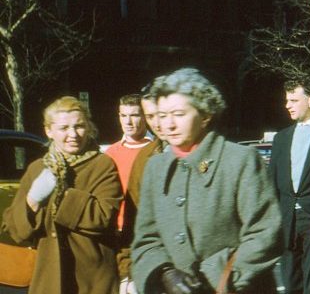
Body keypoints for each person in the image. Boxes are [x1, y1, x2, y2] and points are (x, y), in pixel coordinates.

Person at [132, 68, 282, 293]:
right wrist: (164, 273)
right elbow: (146, 241)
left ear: (205, 115)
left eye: (179, 114)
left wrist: (213, 275)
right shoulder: (155, 168)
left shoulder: (240, 161)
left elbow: (265, 233)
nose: (168, 125)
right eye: (162, 116)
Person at [2, 96, 122, 294]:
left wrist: (62, 194)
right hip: (48, 279)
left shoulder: (103, 165)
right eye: (64, 128)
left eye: (79, 126)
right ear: (49, 131)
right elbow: (14, 231)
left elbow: (104, 216)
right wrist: (32, 200)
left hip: (92, 280)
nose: (73, 134)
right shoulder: (37, 168)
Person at [269, 79, 310, 294]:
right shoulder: (281, 138)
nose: (287, 105)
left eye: (293, 100)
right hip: (287, 223)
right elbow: (273, 184)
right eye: (287, 100)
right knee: (291, 285)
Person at [105, 94, 154, 294]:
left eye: (134, 115)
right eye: (124, 115)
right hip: (116, 236)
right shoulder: (110, 153)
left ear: (144, 117)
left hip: (145, 234)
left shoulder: (157, 151)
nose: (128, 121)